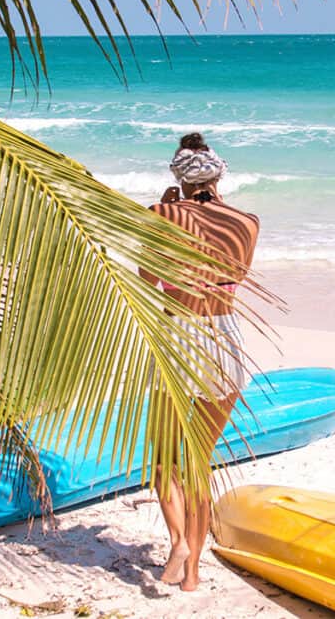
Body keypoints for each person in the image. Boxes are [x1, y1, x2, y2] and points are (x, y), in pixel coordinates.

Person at [141, 132, 259, 592]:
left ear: (178, 178)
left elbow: (148, 277)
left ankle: (179, 543)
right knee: (199, 461)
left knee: (163, 461)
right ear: (219, 174)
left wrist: (165, 212)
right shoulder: (246, 222)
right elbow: (237, 276)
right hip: (226, 340)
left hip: (179, 337)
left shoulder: (162, 214)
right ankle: (191, 579)